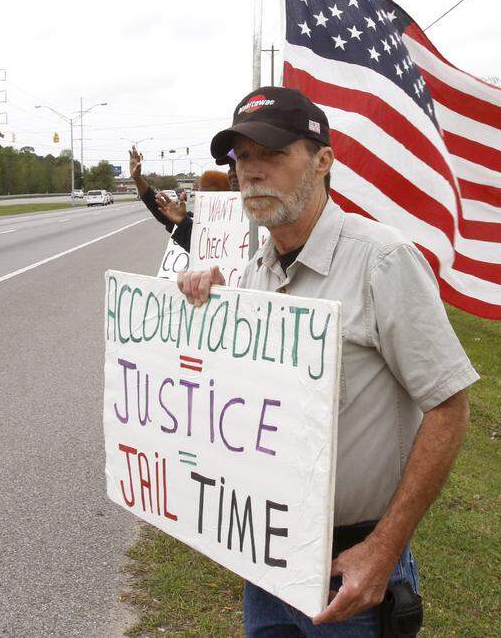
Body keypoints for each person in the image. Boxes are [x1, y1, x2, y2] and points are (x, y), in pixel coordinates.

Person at [178, 86, 477, 637]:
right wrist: (212, 304)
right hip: (267, 558)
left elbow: (449, 406)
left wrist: (384, 550)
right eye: (242, 157)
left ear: (323, 161)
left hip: (353, 567)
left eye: (272, 154)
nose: (252, 172)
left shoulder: (383, 261)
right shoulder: (255, 272)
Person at [129, 146, 236, 251]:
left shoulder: (241, 226)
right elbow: (158, 208)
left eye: (211, 195)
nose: (232, 173)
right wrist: (138, 179)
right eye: (201, 194)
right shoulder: (191, 223)